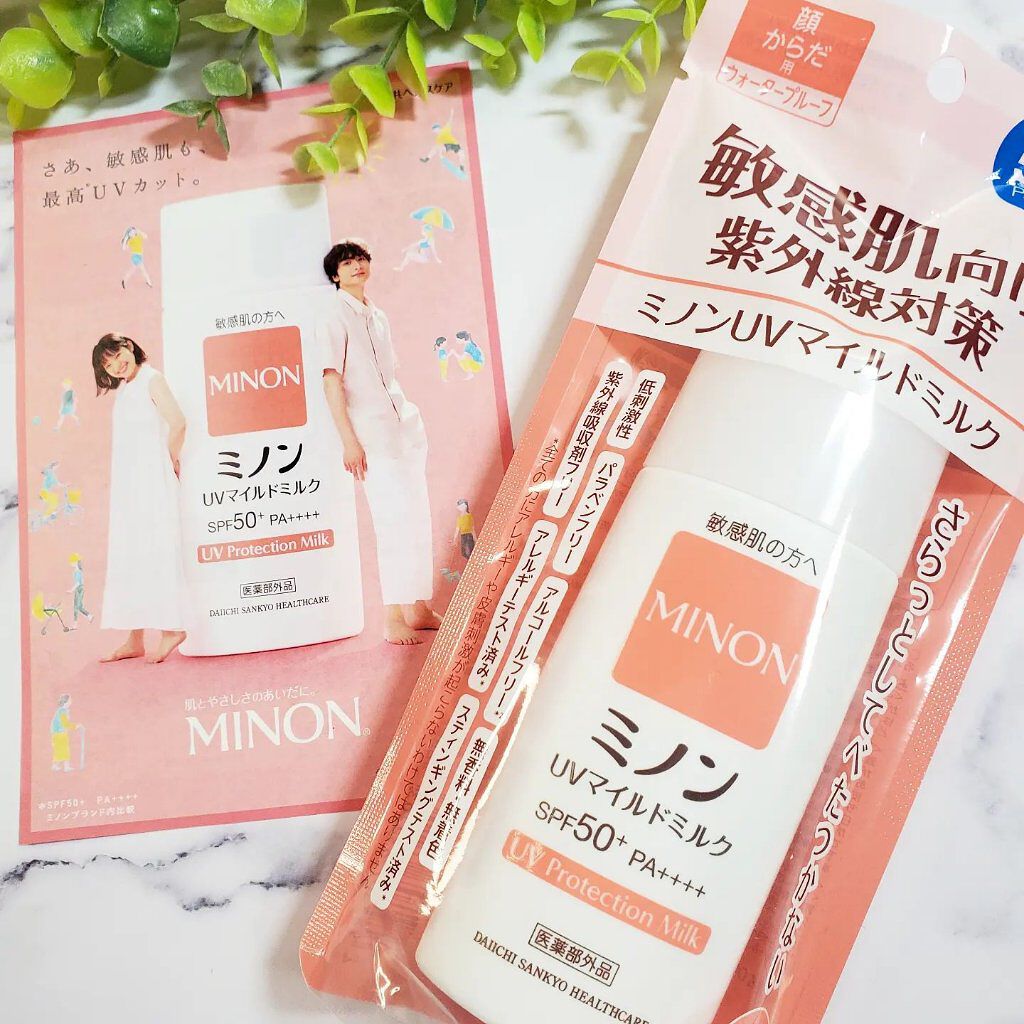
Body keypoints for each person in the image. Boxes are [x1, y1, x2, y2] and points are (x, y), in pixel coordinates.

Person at [317, 239, 441, 646]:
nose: (356, 266)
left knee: (416, 516)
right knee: (391, 521)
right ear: (335, 275)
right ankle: (392, 617)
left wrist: (410, 418)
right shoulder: (332, 316)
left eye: (360, 259)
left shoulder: (378, 315)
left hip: (404, 427)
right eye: (347, 263)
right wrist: (349, 441)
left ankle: (418, 607)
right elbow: (331, 381)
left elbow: (389, 375)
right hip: (371, 436)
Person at [92, 333, 188, 664]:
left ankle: (171, 629)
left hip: (152, 481)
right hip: (130, 486)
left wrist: (170, 460)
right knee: (130, 554)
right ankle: (135, 638)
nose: (116, 365)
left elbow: (178, 423)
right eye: (107, 364)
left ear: (129, 347)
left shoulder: (151, 379)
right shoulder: (125, 388)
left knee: (155, 551)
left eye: (117, 354)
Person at [50, 694, 82, 771]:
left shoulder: (63, 710)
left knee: (62, 750)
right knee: (62, 750)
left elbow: (65, 724)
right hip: (59, 733)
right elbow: (65, 724)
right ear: (66, 702)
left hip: (60, 733)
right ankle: (63, 767)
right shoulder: (62, 711)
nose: (71, 701)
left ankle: (62, 766)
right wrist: (75, 726)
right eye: (70, 700)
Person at [68, 553, 93, 626]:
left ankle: (89, 616)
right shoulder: (77, 571)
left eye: (72, 562)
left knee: (78, 607)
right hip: (78, 590)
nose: (71, 564)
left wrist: (71, 590)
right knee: (77, 607)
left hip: (79, 589)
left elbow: (78, 583)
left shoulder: (78, 572)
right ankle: (75, 624)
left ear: (75, 562)